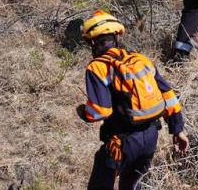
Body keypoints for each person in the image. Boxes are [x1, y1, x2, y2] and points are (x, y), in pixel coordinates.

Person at [76, 10, 189, 190]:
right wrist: (178, 130)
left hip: (122, 142)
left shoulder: (97, 67)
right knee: (134, 185)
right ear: (117, 37)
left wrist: (83, 112)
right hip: (151, 137)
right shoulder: (141, 60)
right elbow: (168, 94)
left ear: (92, 42)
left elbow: (100, 111)